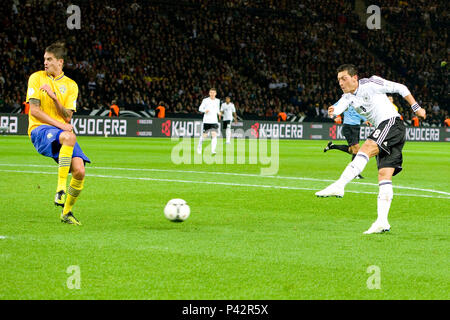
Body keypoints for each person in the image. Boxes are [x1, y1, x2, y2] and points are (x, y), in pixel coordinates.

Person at [315, 64, 426, 234]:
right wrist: (333, 111)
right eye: (338, 80)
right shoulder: (347, 97)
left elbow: (401, 88)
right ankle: (382, 221)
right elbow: (338, 109)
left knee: (366, 146)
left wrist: (416, 107)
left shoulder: (372, 83)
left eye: (344, 78)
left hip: (391, 123)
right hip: (389, 130)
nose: (341, 83)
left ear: (354, 78)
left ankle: (340, 184)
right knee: (384, 175)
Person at [26, 41, 90, 225]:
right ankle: (60, 188)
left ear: (60, 62)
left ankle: (66, 213)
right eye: (44, 59)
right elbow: (35, 111)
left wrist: (54, 98)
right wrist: (61, 126)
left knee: (79, 171)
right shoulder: (36, 78)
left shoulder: (71, 85)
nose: (45, 62)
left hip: (61, 132)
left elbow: (68, 116)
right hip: (39, 129)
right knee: (69, 135)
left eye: (49, 59)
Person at [324, 104, 368, 179]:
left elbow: (361, 112)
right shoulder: (345, 99)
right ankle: (354, 173)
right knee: (356, 149)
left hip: (356, 127)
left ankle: (332, 146)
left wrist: (365, 120)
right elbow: (333, 108)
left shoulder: (358, 100)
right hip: (348, 126)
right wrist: (335, 116)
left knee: (351, 150)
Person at [197, 88, 221, 154]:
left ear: (215, 94)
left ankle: (213, 150)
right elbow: (200, 108)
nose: (212, 94)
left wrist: (219, 113)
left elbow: (217, 109)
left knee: (214, 135)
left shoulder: (218, 101)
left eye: (214, 93)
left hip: (214, 121)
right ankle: (199, 147)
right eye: (211, 92)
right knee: (204, 135)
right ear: (209, 93)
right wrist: (204, 110)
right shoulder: (205, 100)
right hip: (207, 120)